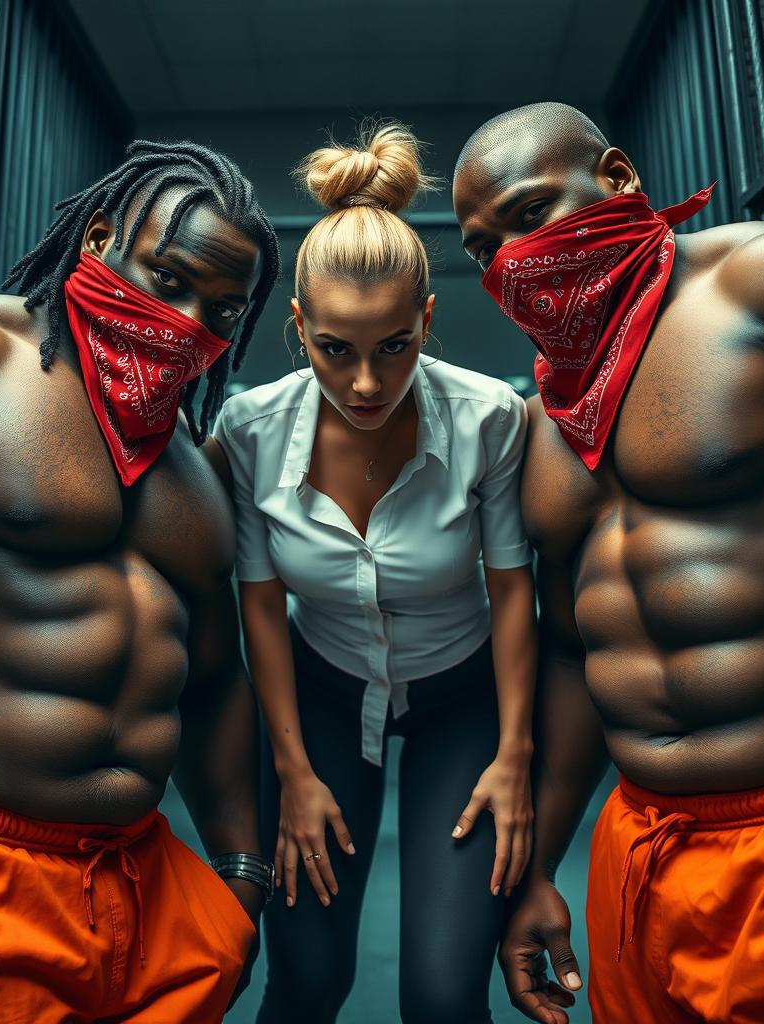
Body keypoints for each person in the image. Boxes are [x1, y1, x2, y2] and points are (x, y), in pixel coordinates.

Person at [451, 101, 764, 1024]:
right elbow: (577, 652)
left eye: (530, 216)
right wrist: (538, 871)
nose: (512, 263)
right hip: (641, 857)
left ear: (617, 179)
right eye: (484, 250)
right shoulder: (544, 419)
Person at [0, 140, 281, 1023]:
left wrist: (240, 884)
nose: (188, 319)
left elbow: (211, 685)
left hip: (140, 891)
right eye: (168, 280)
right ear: (98, 237)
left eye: (221, 308)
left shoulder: (196, 470)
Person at [210, 123, 537, 1024]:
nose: (363, 383)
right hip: (315, 697)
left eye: (393, 346)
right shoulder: (250, 432)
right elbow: (261, 605)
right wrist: (292, 769)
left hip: (463, 698)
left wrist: (516, 754)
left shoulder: (491, 419)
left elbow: (511, 587)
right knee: (309, 983)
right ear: (299, 330)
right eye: (334, 349)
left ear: (428, 320)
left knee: (441, 995)